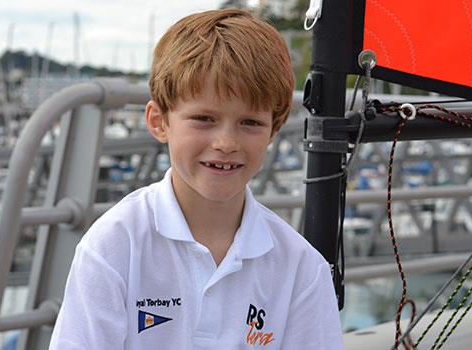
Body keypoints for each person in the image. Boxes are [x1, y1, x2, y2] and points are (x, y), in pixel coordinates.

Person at [49, 8, 344, 349]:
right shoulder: (115, 244)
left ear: (273, 130)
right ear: (159, 121)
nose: (226, 143)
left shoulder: (302, 270)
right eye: (204, 118)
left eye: (250, 123)